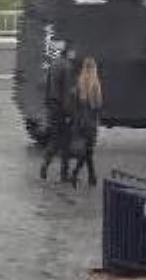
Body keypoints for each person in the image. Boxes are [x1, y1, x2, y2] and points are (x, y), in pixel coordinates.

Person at [40, 44, 77, 182]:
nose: (75, 54)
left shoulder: (53, 64)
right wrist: (69, 113)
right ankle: (64, 174)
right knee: (66, 142)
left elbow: (47, 86)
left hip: (52, 107)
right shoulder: (67, 67)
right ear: (68, 52)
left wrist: (47, 105)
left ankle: (45, 164)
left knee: (54, 139)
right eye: (73, 51)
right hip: (62, 108)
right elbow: (67, 92)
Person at [70, 57, 103, 187]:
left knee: (88, 151)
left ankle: (92, 177)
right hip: (90, 123)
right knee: (87, 151)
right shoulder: (95, 84)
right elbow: (98, 105)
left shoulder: (79, 83)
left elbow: (75, 104)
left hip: (80, 123)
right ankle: (75, 173)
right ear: (94, 68)